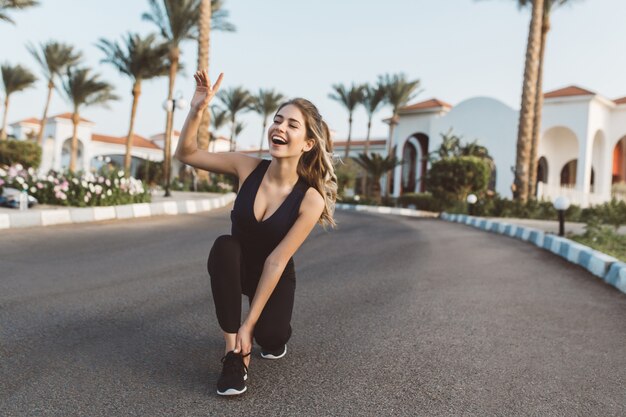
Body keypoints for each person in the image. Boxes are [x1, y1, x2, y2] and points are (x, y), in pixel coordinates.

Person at [174, 69, 338, 396]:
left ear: (308, 143)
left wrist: (250, 325)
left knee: (271, 337)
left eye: (292, 124)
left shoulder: (310, 199)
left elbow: (277, 261)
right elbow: (187, 154)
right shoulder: (247, 167)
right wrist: (197, 110)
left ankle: (261, 337)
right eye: (277, 120)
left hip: (274, 276)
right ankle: (234, 356)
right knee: (225, 246)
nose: (280, 127)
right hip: (236, 266)